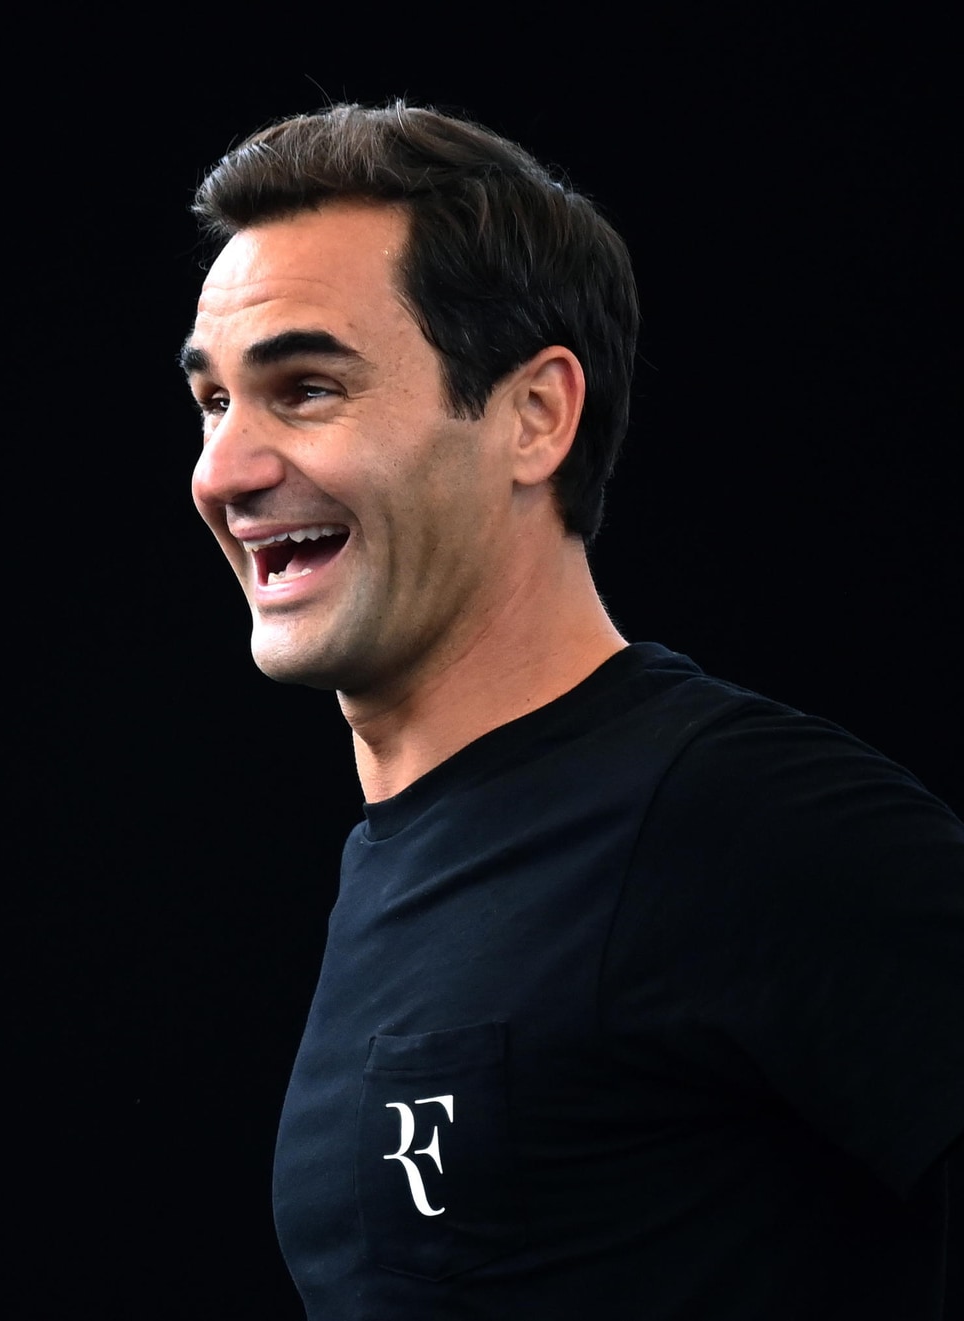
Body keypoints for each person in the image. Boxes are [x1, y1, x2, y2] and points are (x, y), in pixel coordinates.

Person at [179, 102, 964, 1318]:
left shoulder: (736, 816)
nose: (223, 471)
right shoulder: (400, 861)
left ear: (534, 415)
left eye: (308, 388)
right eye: (213, 402)